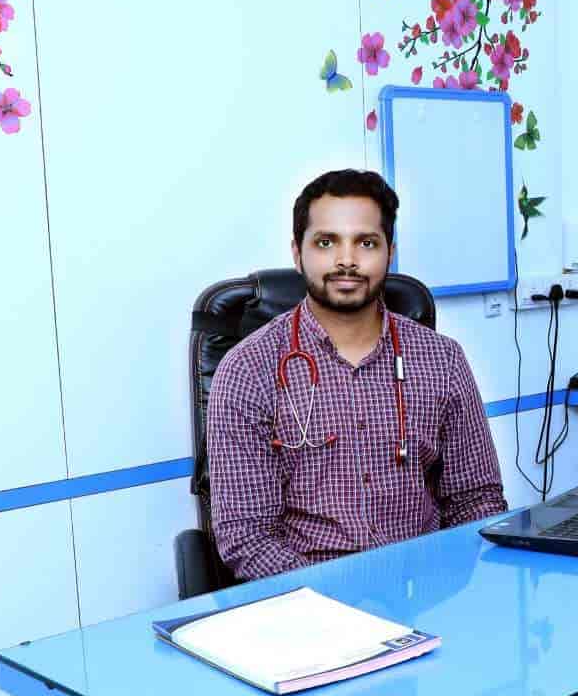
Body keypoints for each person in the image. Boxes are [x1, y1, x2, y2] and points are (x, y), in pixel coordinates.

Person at [206, 169, 508, 581]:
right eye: (326, 242)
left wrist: (445, 583)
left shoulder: (443, 360)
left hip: (423, 587)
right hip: (308, 598)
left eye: (366, 243)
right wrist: (333, 601)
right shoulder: (247, 370)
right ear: (297, 252)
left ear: (390, 252)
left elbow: (476, 500)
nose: (346, 260)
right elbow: (247, 537)